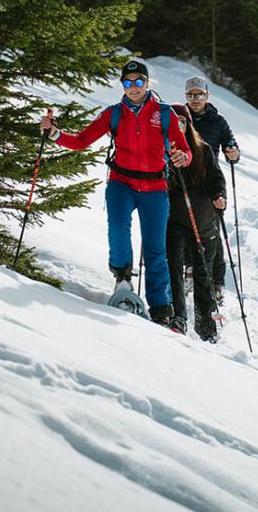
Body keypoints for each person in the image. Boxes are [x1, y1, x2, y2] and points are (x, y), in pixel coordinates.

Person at [40, 59, 191, 326]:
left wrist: (183, 158)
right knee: (118, 228)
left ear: (147, 83)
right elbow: (81, 140)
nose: (133, 87)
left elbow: (184, 149)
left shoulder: (164, 114)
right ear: (122, 85)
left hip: (155, 187)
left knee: (155, 249)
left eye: (139, 82)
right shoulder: (113, 113)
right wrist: (54, 134)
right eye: (128, 82)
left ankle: (161, 309)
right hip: (121, 182)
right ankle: (122, 279)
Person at [166, 103, 226, 342]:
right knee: (173, 268)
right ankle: (177, 317)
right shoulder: (164, 149)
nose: (178, 125)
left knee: (203, 274)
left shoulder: (203, 149)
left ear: (188, 124)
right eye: (173, 121)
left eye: (182, 121)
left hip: (202, 220)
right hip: (175, 220)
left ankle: (207, 328)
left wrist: (219, 196)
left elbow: (216, 179)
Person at [184, 75, 240, 304]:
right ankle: (189, 269)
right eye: (190, 95)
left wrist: (233, 152)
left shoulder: (218, 120)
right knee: (185, 224)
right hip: (184, 178)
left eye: (199, 94)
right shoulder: (180, 117)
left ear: (207, 96)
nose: (195, 99)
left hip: (210, 181)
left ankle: (217, 282)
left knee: (213, 231)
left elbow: (231, 143)